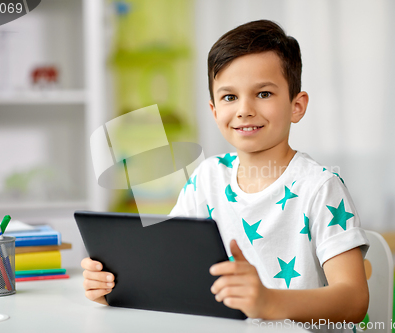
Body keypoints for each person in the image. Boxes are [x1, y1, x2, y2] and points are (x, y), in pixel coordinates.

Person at [82, 19, 369, 330]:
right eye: (230, 97)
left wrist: (269, 302)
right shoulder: (206, 179)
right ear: (214, 110)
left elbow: (353, 301)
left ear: (296, 106)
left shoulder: (321, 187)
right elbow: (171, 271)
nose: (244, 109)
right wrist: (115, 288)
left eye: (263, 94)